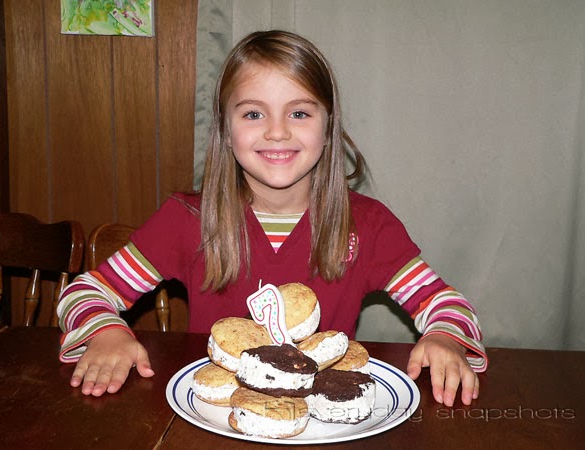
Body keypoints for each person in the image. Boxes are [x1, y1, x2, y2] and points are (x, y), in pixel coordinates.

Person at [57, 30, 487, 407]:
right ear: (226, 130)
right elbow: (86, 293)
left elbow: (445, 304)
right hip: (215, 416)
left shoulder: (368, 225)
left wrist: (444, 337)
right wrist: (108, 332)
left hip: (324, 423)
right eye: (253, 113)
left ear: (327, 127)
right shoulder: (187, 219)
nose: (277, 131)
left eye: (299, 113)